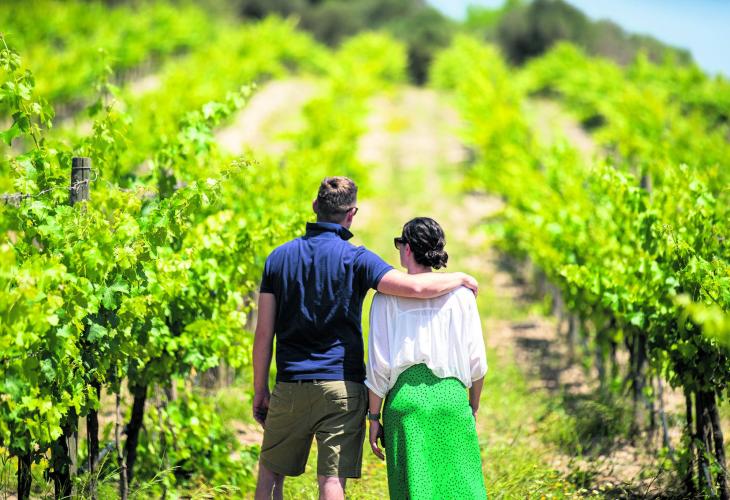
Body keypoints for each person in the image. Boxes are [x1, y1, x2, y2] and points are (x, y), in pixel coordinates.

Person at [252, 177, 479, 500]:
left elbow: (264, 334)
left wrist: (260, 390)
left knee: (271, 475)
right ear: (351, 214)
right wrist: (460, 277)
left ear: (315, 206)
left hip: (290, 384)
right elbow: (416, 287)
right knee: (331, 481)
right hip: (342, 387)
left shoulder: (278, 258)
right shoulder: (357, 259)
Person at [365, 217, 488, 500]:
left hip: (405, 404)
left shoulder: (384, 298)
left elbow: (378, 367)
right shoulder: (462, 296)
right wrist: (472, 405)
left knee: (414, 490)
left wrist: (373, 417)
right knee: (460, 489)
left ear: (407, 249)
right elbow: (477, 362)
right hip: (451, 400)